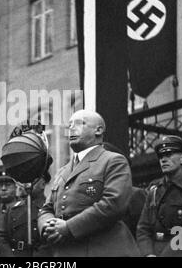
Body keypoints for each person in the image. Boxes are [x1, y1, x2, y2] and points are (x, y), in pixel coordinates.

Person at [38, 109, 139, 256]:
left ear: (98, 130)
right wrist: (47, 227)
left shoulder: (113, 160)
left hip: (102, 249)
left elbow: (113, 204)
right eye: (70, 124)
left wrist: (68, 227)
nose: (71, 128)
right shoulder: (62, 171)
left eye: (79, 123)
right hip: (66, 251)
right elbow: (47, 208)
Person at [137, 136, 182, 257]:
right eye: (161, 156)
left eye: (169, 155)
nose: (163, 160)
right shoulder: (154, 190)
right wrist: (148, 253)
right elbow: (143, 228)